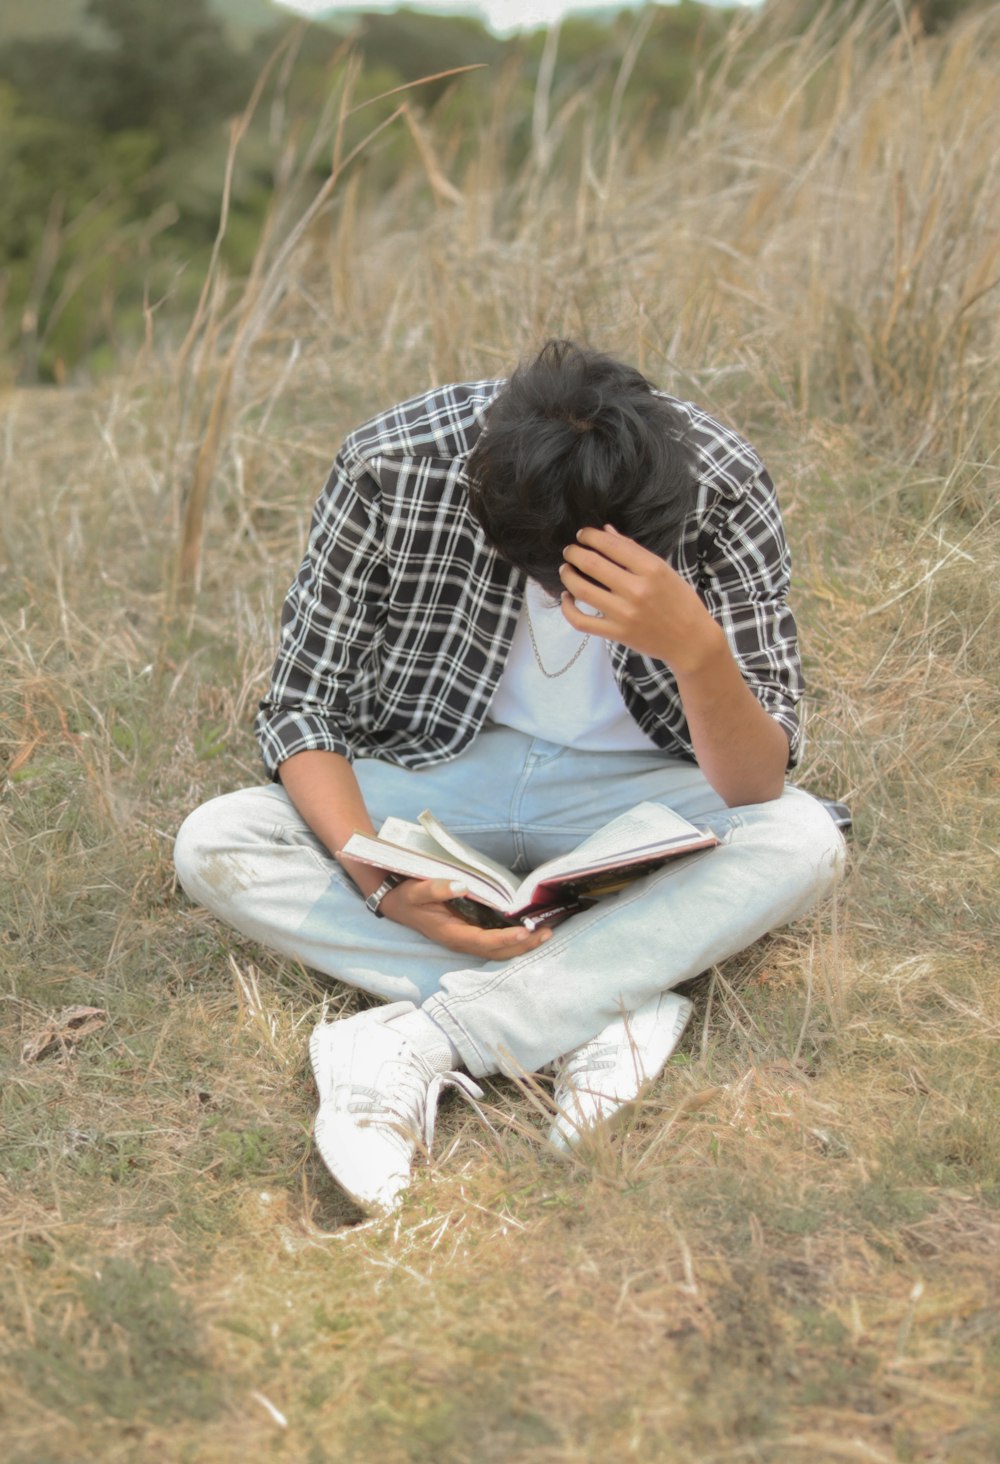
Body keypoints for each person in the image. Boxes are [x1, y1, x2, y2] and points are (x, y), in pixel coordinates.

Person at [173, 340, 846, 1214]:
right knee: (220, 841)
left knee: (802, 839)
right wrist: (380, 885)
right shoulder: (393, 463)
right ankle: (602, 1002)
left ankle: (430, 1037)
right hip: (440, 773)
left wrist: (696, 649)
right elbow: (305, 708)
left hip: (638, 794)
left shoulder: (721, 481)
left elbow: (756, 783)